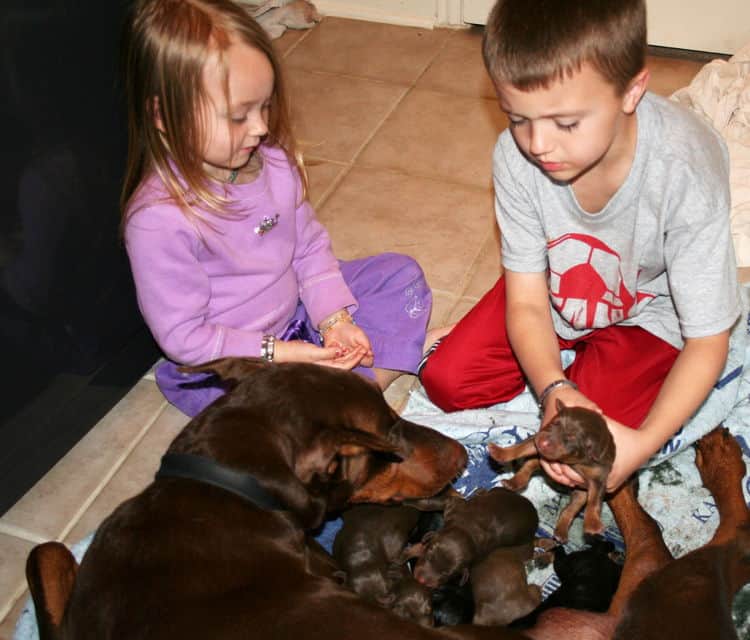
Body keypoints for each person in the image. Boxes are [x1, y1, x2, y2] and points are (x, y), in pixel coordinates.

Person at [419, 0, 741, 492]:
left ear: (632, 91)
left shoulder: (685, 171)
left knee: (588, 447)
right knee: (446, 381)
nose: (537, 144)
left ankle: (599, 364)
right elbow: (526, 297)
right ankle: (571, 359)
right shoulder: (515, 156)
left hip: (650, 312)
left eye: (565, 124)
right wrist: (552, 384)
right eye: (517, 117)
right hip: (555, 291)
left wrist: (645, 442)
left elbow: (707, 341)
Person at [120, 0, 437, 417]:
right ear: (164, 115)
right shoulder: (159, 220)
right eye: (238, 117)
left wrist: (334, 320)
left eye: (264, 105)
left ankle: (359, 390)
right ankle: (366, 384)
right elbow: (185, 338)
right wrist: (283, 353)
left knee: (399, 275)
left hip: (298, 316)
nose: (261, 128)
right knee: (247, 416)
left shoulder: (273, 162)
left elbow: (307, 247)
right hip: (234, 359)